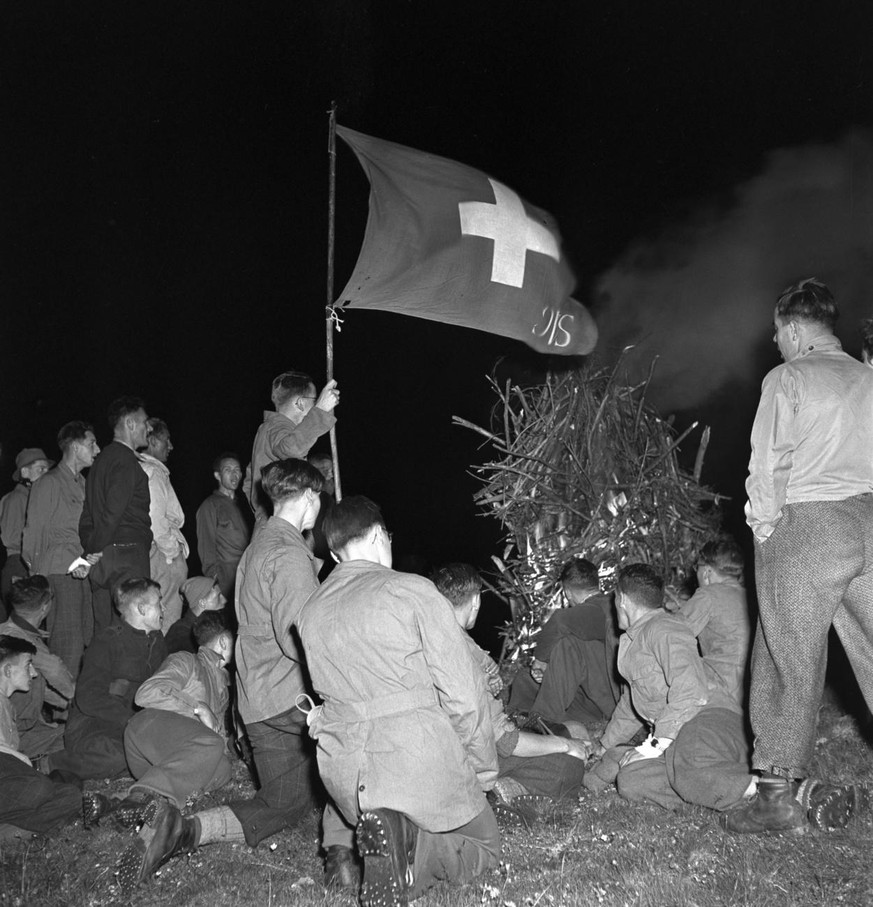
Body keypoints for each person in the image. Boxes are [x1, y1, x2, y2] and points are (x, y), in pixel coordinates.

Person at [113, 459, 336, 895]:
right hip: (290, 700)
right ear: (310, 498)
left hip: (257, 701)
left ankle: (184, 831)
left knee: (286, 801)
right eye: (320, 498)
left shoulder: (257, 546)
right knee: (355, 757)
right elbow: (299, 640)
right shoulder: (289, 553)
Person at [725, 278, 873, 835]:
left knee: (785, 655)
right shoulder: (867, 375)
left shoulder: (788, 378)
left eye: (777, 335)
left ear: (791, 329)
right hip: (870, 521)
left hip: (810, 521)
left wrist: (765, 529)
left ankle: (776, 799)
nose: (776, 344)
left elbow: (768, 464)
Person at [299, 497, 499, 907]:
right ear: (378, 536)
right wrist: (480, 771)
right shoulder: (413, 590)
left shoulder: (309, 612)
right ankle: (411, 846)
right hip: (415, 759)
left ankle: (355, 848)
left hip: (345, 777)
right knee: (486, 845)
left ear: (335, 553)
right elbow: (464, 697)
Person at [591, 564, 756, 814]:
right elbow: (631, 705)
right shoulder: (633, 641)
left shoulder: (665, 628)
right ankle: (730, 790)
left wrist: (653, 745)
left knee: (687, 763)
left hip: (708, 718)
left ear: (622, 599)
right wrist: (604, 746)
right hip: (680, 736)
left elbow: (693, 691)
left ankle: (781, 792)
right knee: (632, 780)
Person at [433, 563, 588, 817]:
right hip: (464, 755)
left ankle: (500, 786)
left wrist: (488, 678)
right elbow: (507, 741)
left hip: (439, 748)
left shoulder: (437, 637)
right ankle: (504, 791)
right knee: (569, 764)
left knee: (558, 731)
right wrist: (565, 746)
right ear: (475, 602)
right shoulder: (459, 652)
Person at [49, 577, 167, 780]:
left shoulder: (158, 641)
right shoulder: (107, 641)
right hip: (94, 724)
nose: (163, 608)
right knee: (121, 754)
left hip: (136, 724)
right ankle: (53, 763)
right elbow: (89, 697)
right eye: (158, 603)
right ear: (141, 608)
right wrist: (131, 720)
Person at [119, 611, 233, 815]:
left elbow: (218, 742)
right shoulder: (187, 661)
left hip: (172, 764)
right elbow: (146, 693)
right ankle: (141, 798)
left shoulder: (222, 689)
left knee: (224, 768)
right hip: (147, 733)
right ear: (224, 641)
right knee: (211, 742)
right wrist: (197, 707)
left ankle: (148, 801)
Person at [22, 421, 100, 675]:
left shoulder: (83, 483)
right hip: (60, 573)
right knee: (68, 644)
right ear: (76, 447)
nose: (97, 450)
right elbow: (33, 533)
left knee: (87, 637)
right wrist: (38, 578)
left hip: (83, 570)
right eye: (91, 444)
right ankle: (62, 711)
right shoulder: (49, 483)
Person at [508, 557, 620, 730]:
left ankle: (543, 719)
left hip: (607, 705)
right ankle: (520, 715)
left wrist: (540, 661)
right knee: (525, 677)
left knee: (569, 643)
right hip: (589, 698)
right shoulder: (605, 609)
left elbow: (559, 621)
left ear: (567, 592)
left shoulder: (602, 607)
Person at [79, 397, 152, 633]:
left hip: (102, 563)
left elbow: (86, 518)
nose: (148, 428)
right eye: (144, 422)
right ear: (130, 423)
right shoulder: (126, 461)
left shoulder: (99, 463)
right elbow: (113, 513)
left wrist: (92, 552)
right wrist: (96, 551)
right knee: (135, 634)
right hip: (128, 559)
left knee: (105, 636)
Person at [0, 635, 83, 839]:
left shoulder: (8, 705)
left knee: (71, 794)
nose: (34, 673)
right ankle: (23, 829)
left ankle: (11, 831)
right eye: (28, 665)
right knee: (40, 788)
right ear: (8, 671)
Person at [242, 371, 340, 522]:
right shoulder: (275, 427)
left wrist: (261, 512)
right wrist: (320, 410)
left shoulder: (267, 429)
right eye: (314, 401)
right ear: (300, 403)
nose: (314, 405)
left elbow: (250, 480)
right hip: (277, 523)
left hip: (271, 520)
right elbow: (291, 449)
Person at [0, 576, 74, 762]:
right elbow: (55, 670)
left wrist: (66, 705)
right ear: (45, 607)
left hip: (23, 723)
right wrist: (77, 700)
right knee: (75, 739)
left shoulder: (9, 629)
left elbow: (38, 682)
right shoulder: (19, 639)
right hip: (17, 729)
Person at [678, 538, 751, 707]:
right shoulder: (750, 596)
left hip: (722, 685)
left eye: (698, 568)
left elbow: (672, 632)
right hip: (751, 686)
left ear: (707, 572)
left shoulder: (707, 595)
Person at [139, 418, 189, 631]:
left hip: (149, 553)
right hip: (162, 555)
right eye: (166, 440)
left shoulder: (135, 468)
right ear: (151, 440)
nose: (170, 446)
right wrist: (173, 553)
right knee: (166, 619)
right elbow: (156, 521)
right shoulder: (154, 472)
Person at [195, 453, 252, 603]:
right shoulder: (210, 506)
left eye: (237, 470)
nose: (234, 474)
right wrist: (215, 580)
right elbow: (206, 547)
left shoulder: (245, 505)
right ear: (218, 475)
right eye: (228, 470)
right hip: (226, 577)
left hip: (248, 574)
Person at [1, 448, 53, 605]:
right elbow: (10, 538)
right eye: (41, 469)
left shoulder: (38, 500)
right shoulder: (17, 499)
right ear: (24, 472)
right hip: (20, 563)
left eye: (47, 469)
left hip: (32, 562)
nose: (46, 473)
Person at [164, 576, 227, 655]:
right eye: (218, 596)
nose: (224, 600)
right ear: (202, 603)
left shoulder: (206, 628)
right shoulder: (181, 635)